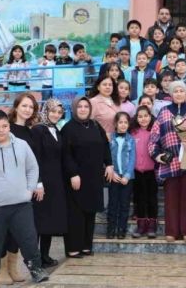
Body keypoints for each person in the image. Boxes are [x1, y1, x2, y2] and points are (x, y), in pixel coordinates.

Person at [0, 110, 49, 288]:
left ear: (9, 125)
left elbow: (32, 168)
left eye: (4, 126)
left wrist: (29, 190)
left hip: (21, 205)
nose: (1, 130)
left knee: (29, 240)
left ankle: (36, 270)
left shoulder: (21, 145)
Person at [62, 97, 114, 258]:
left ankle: (86, 246)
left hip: (94, 177)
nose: (83, 109)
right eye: (80, 106)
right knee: (76, 214)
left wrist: (109, 164)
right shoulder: (68, 128)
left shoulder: (95, 125)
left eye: (86, 106)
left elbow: (105, 145)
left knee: (90, 212)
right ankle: (73, 248)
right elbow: (66, 154)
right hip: (77, 178)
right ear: (74, 109)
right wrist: (73, 173)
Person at [148, 81, 186, 242]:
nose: (178, 93)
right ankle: (171, 230)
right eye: (175, 91)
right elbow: (154, 137)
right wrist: (157, 155)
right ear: (170, 94)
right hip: (170, 162)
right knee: (171, 198)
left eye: (181, 91)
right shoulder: (163, 112)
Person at [3, 92, 40, 283]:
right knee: (4, 228)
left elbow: (33, 162)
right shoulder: (6, 129)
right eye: (24, 105)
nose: (27, 109)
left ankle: (13, 267)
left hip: (25, 188)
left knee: (18, 229)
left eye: (31, 107)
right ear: (16, 107)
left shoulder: (30, 132)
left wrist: (37, 183)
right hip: (7, 186)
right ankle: (1, 269)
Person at [29, 99, 68, 268]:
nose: (56, 115)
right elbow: (34, 158)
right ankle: (34, 258)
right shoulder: (38, 130)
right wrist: (38, 182)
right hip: (42, 183)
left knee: (49, 221)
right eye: (53, 111)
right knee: (38, 221)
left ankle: (45, 256)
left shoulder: (56, 130)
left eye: (59, 112)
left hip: (56, 182)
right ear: (46, 111)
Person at [106, 112, 135, 239]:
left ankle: (122, 229)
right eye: (120, 122)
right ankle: (111, 229)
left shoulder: (131, 139)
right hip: (113, 176)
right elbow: (106, 157)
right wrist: (112, 173)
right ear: (115, 124)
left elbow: (132, 158)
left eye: (125, 122)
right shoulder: (110, 138)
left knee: (124, 204)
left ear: (129, 124)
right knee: (113, 204)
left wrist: (127, 175)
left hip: (127, 178)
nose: (123, 125)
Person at [130, 106, 158, 238]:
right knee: (139, 199)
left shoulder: (154, 132)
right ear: (136, 118)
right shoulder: (133, 132)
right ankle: (141, 225)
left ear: (150, 116)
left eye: (146, 116)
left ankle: (152, 224)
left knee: (152, 198)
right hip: (137, 172)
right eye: (140, 116)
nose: (143, 119)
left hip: (151, 171)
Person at [89, 73, 121, 139]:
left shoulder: (116, 101)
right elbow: (89, 124)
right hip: (102, 140)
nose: (108, 87)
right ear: (98, 87)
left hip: (118, 139)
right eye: (104, 84)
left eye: (110, 85)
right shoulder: (93, 102)